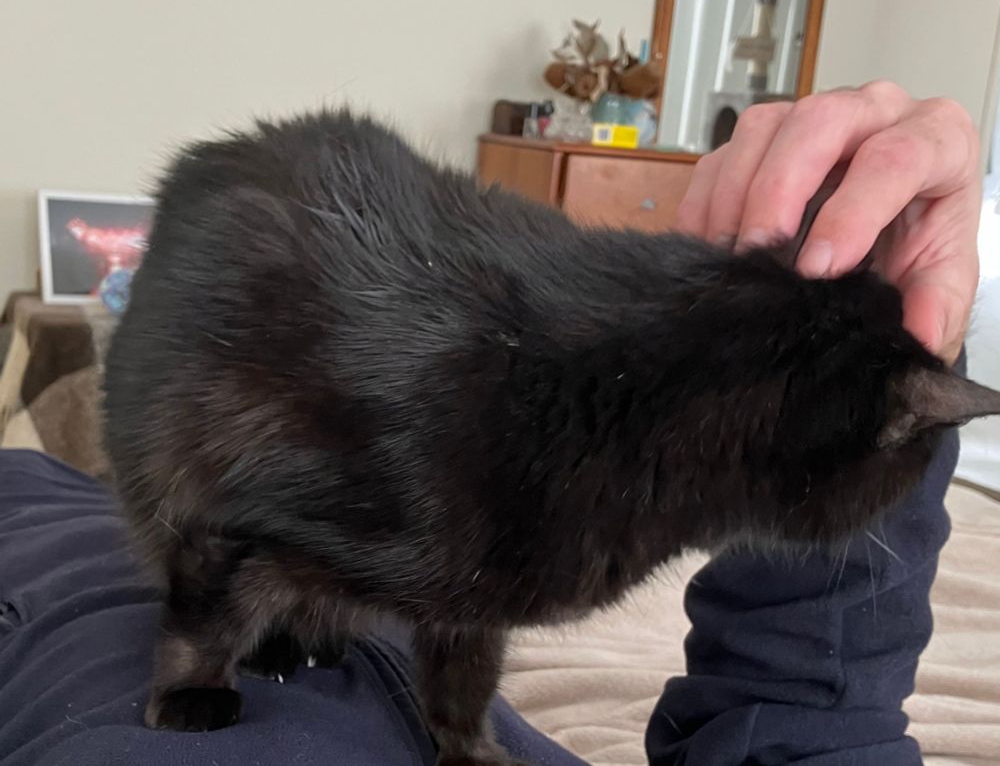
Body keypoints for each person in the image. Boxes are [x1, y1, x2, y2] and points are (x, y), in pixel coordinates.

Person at [0, 82, 982, 766]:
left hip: (85, 545)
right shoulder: (512, 486)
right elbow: (799, 732)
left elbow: (242, 538)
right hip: (233, 494)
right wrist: (903, 315)